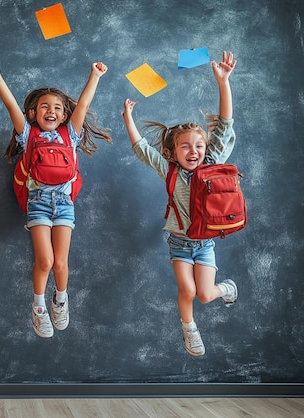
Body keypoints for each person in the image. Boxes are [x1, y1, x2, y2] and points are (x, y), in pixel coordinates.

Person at [0, 56, 112, 338]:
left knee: (62, 263)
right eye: (44, 107)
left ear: (65, 116)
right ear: (33, 114)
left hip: (64, 205)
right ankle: (39, 306)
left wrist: (95, 77)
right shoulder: (28, 135)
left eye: (57, 108)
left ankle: (61, 300)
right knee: (45, 262)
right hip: (38, 204)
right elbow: (10, 106)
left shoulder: (71, 136)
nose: (51, 111)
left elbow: (85, 105)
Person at [121, 51, 239, 356]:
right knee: (187, 291)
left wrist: (223, 82)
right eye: (185, 146)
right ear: (174, 151)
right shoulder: (170, 169)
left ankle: (226, 289)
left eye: (199, 145)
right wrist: (128, 119)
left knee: (204, 295)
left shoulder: (211, 164)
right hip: (179, 243)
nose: (194, 150)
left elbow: (224, 125)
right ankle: (189, 331)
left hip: (206, 243)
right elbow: (142, 149)